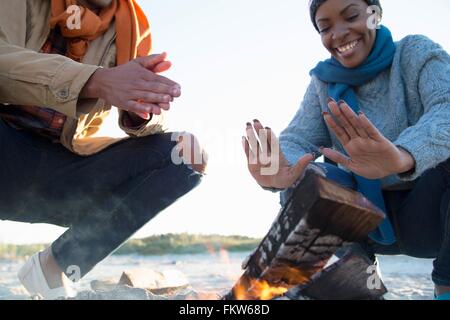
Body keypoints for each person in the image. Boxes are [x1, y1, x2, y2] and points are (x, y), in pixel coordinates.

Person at [243, 0, 450, 300]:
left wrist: (403, 155)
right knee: (306, 174)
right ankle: (353, 282)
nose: (338, 34)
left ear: (375, 15)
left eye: (351, 16)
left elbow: (446, 107)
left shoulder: (415, 53)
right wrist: (280, 169)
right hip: (361, 223)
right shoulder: (324, 82)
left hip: (430, 216)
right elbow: (299, 138)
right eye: (325, 27)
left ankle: (446, 288)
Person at [0, 0, 207, 299]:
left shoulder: (132, 27)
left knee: (184, 154)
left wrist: (141, 109)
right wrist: (95, 81)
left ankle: (53, 266)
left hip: (61, 174)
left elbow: (150, 117)